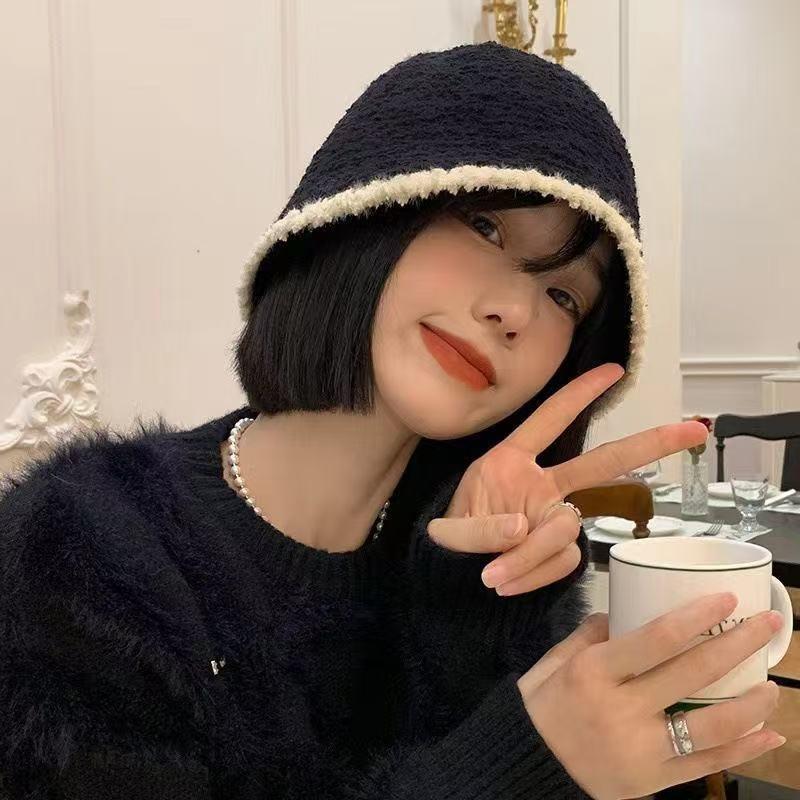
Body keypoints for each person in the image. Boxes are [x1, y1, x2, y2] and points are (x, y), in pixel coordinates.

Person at [0, 41, 784, 800]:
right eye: (484, 226)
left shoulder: (481, 571)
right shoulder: (82, 549)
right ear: (363, 211)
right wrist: (526, 768)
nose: (514, 311)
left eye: (563, 296)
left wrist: (476, 616)